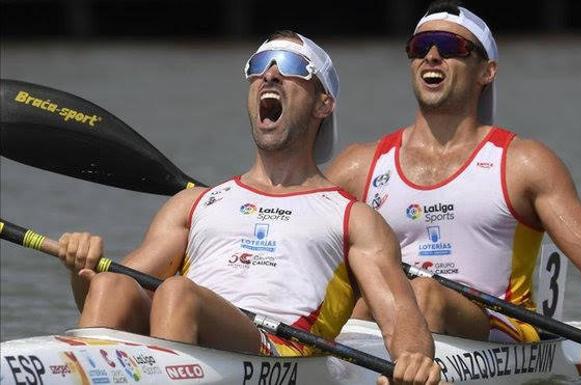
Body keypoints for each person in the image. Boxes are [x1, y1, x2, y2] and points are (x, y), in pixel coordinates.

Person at [58, 31, 441, 384]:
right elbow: (107, 296)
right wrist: (82, 269)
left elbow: (399, 316)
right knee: (111, 283)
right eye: (258, 66)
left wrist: (414, 359)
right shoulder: (196, 203)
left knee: (177, 293)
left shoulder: (352, 217)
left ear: (323, 103)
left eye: (290, 66)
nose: (269, 76)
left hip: (279, 353)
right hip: (182, 328)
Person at [326, 0, 581, 365]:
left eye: (451, 48)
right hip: (387, 318)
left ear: (487, 70)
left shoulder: (523, 163)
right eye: (420, 48)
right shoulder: (359, 166)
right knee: (373, 296)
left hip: (499, 329)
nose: (432, 56)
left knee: (424, 295)